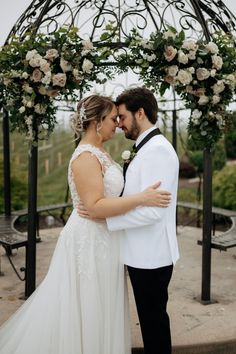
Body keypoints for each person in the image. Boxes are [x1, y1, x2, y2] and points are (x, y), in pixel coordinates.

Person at [0, 94, 171, 354]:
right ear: (96, 121)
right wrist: (143, 197)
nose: (117, 124)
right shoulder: (85, 157)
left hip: (107, 238)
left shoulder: (102, 151)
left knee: (104, 304)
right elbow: (94, 206)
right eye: (113, 119)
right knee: (89, 304)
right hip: (90, 239)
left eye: (119, 118)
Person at [105, 87, 180, 354]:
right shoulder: (146, 147)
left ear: (140, 113)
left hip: (151, 256)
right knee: (151, 322)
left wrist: (108, 221)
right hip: (143, 253)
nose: (119, 123)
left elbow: (153, 211)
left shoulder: (157, 151)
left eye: (122, 117)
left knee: (154, 325)